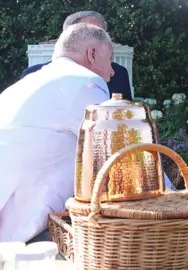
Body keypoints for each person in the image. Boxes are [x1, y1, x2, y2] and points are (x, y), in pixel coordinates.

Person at [0, 23, 115, 242]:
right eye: (110, 59)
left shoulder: (20, 86)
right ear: (92, 54)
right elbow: (119, 153)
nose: (111, 71)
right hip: (26, 236)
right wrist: (170, 198)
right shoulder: (84, 81)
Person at [21, 11, 133, 101]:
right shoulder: (33, 75)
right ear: (69, 37)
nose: (100, 39)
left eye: (101, 34)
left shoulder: (118, 73)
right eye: (90, 33)